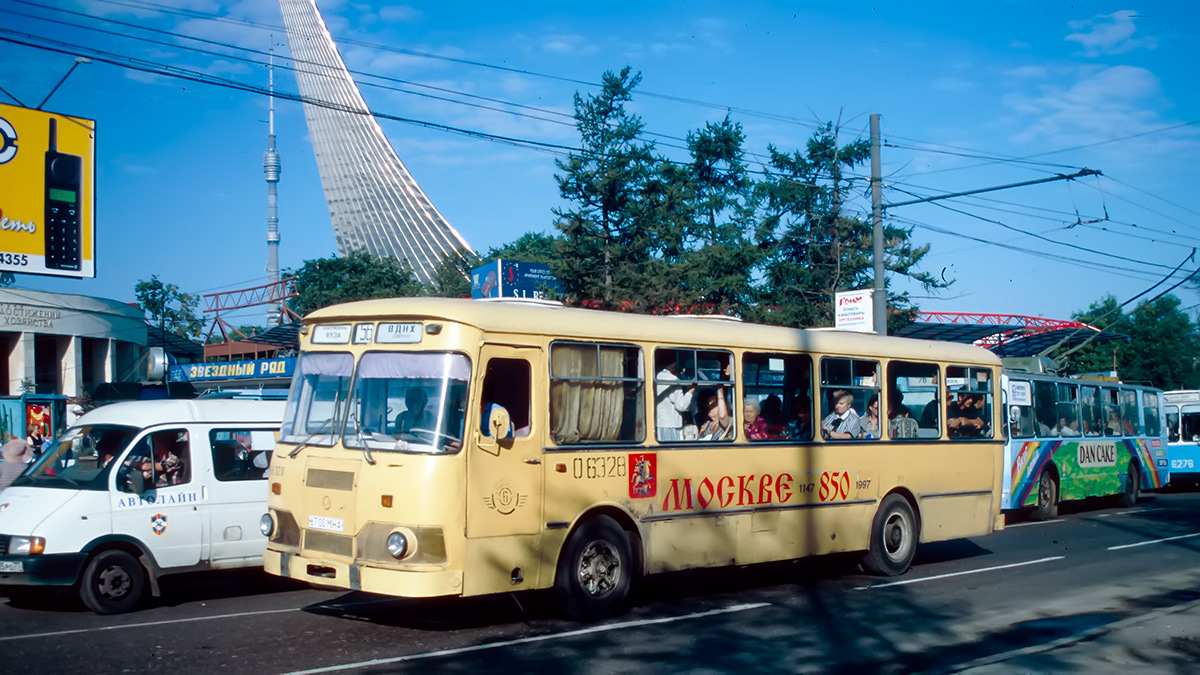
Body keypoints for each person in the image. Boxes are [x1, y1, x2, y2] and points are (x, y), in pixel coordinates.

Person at [655, 353, 697, 441]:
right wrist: (691, 390)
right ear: (675, 365)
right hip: (670, 426)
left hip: (658, 424)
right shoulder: (673, 379)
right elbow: (681, 405)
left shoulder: (656, 376)